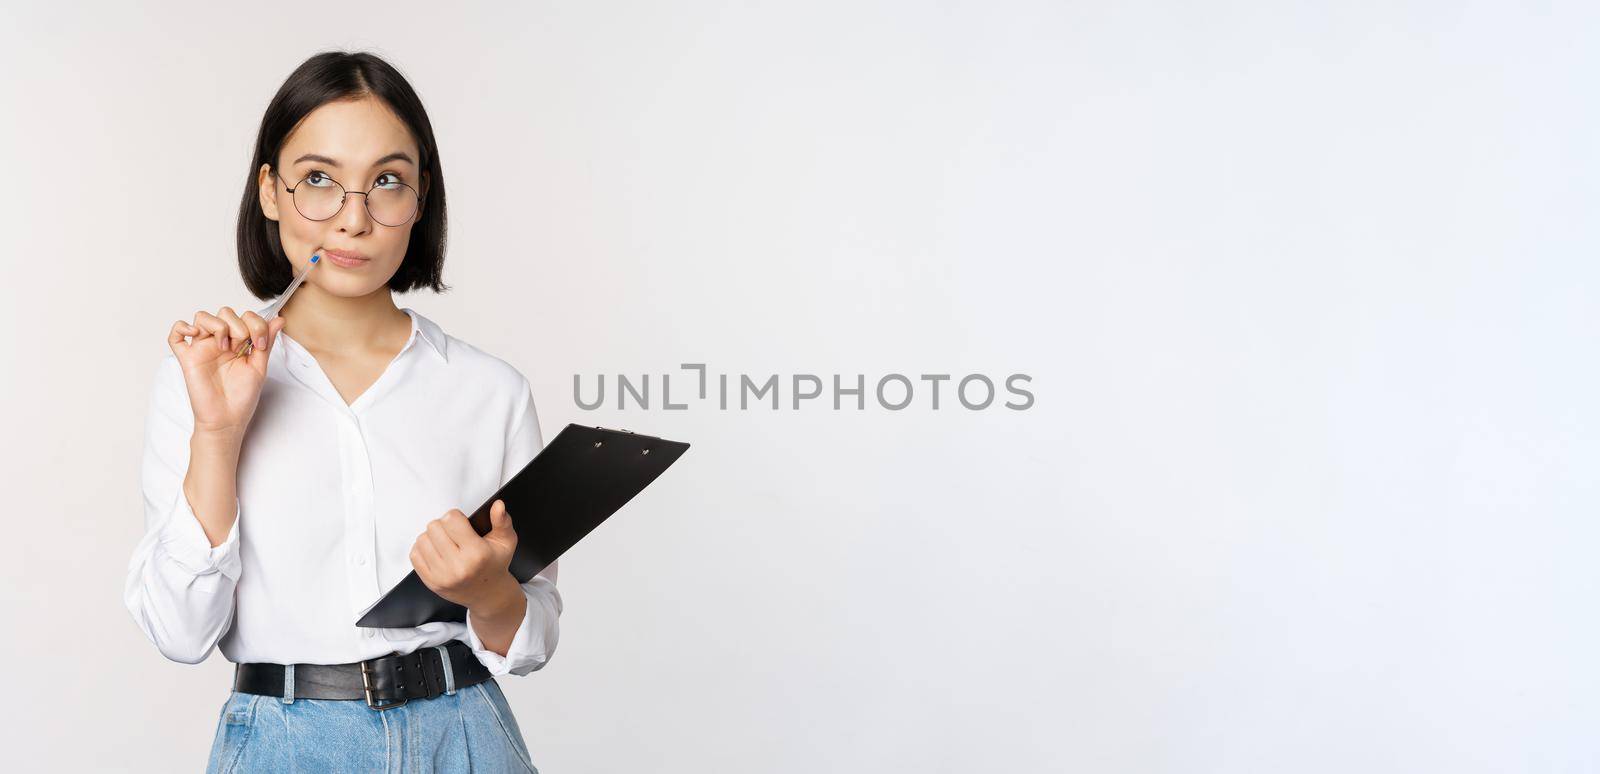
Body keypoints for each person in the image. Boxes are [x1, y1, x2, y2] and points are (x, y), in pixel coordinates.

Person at [123, 50, 557, 773]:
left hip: (467, 738)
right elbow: (179, 632)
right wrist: (219, 435)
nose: (352, 220)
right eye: (319, 180)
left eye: (387, 181)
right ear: (269, 190)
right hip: (284, 747)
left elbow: (533, 633)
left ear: (420, 201)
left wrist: (489, 593)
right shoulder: (198, 383)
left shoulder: (491, 392)